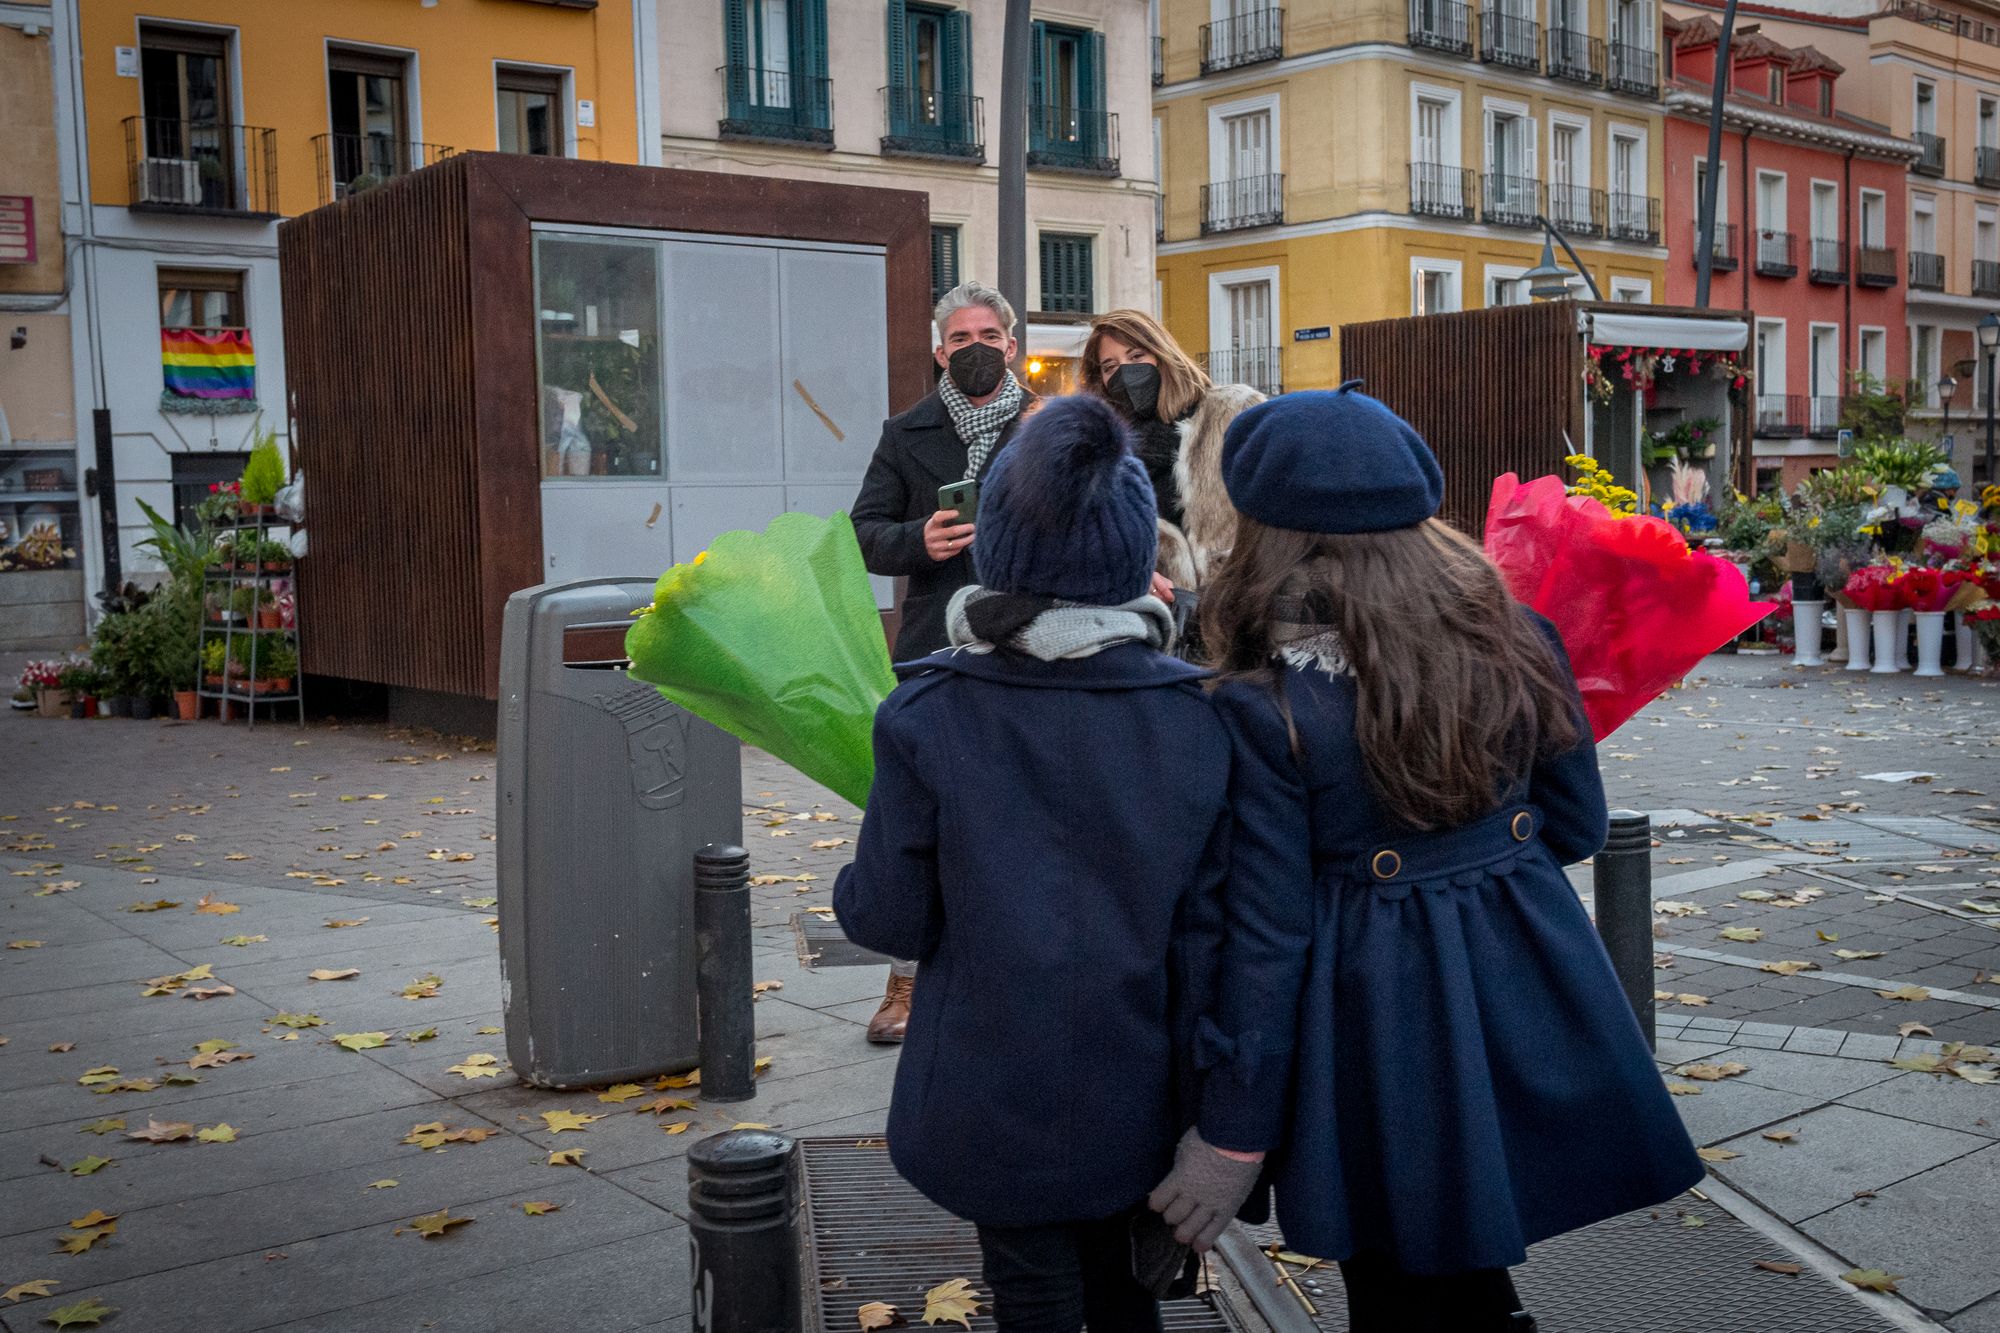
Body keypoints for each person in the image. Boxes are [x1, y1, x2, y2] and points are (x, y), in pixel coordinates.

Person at [1149, 387, 1704, 1331]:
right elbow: (1575, 824)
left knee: (1402, 1275)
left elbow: (1269, 934)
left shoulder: (1264, 702)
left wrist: (1233, 1130)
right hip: (1520, 975)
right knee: (1449, 1266)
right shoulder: (1523, 637)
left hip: (1372, 1012)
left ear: (1265, 528)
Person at [834, 395, 1234, 1333]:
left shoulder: (928, 713)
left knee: (1029, 1291)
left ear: (997, 548)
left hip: (991, 1090)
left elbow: (888, 918)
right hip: (1145, 1085)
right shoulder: (1200, 716)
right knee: (1129, 1294)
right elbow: (1220, 929)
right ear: (1140, 553)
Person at [848, 281, 1036, 1043]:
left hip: (1026, 642)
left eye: (988, 334)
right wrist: (915, 540)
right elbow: (863, 530)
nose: (976, 348)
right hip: (934, 645)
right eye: (960, 338)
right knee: (915, 815)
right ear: (938, 351)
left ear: (1013, 345)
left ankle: (1013, 972)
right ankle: (905, 981)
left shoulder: (1046, 427)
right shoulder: (906, 432)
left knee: (1020, 816)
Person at [1080, 310, 1263, 592]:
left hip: (1241, 603)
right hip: (1159, 618)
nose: (1125, 373)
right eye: (1110, 366)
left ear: (1162, 355)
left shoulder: (1231, 413)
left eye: (1137, 356)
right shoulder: (1101, 454)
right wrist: (1132, 573)